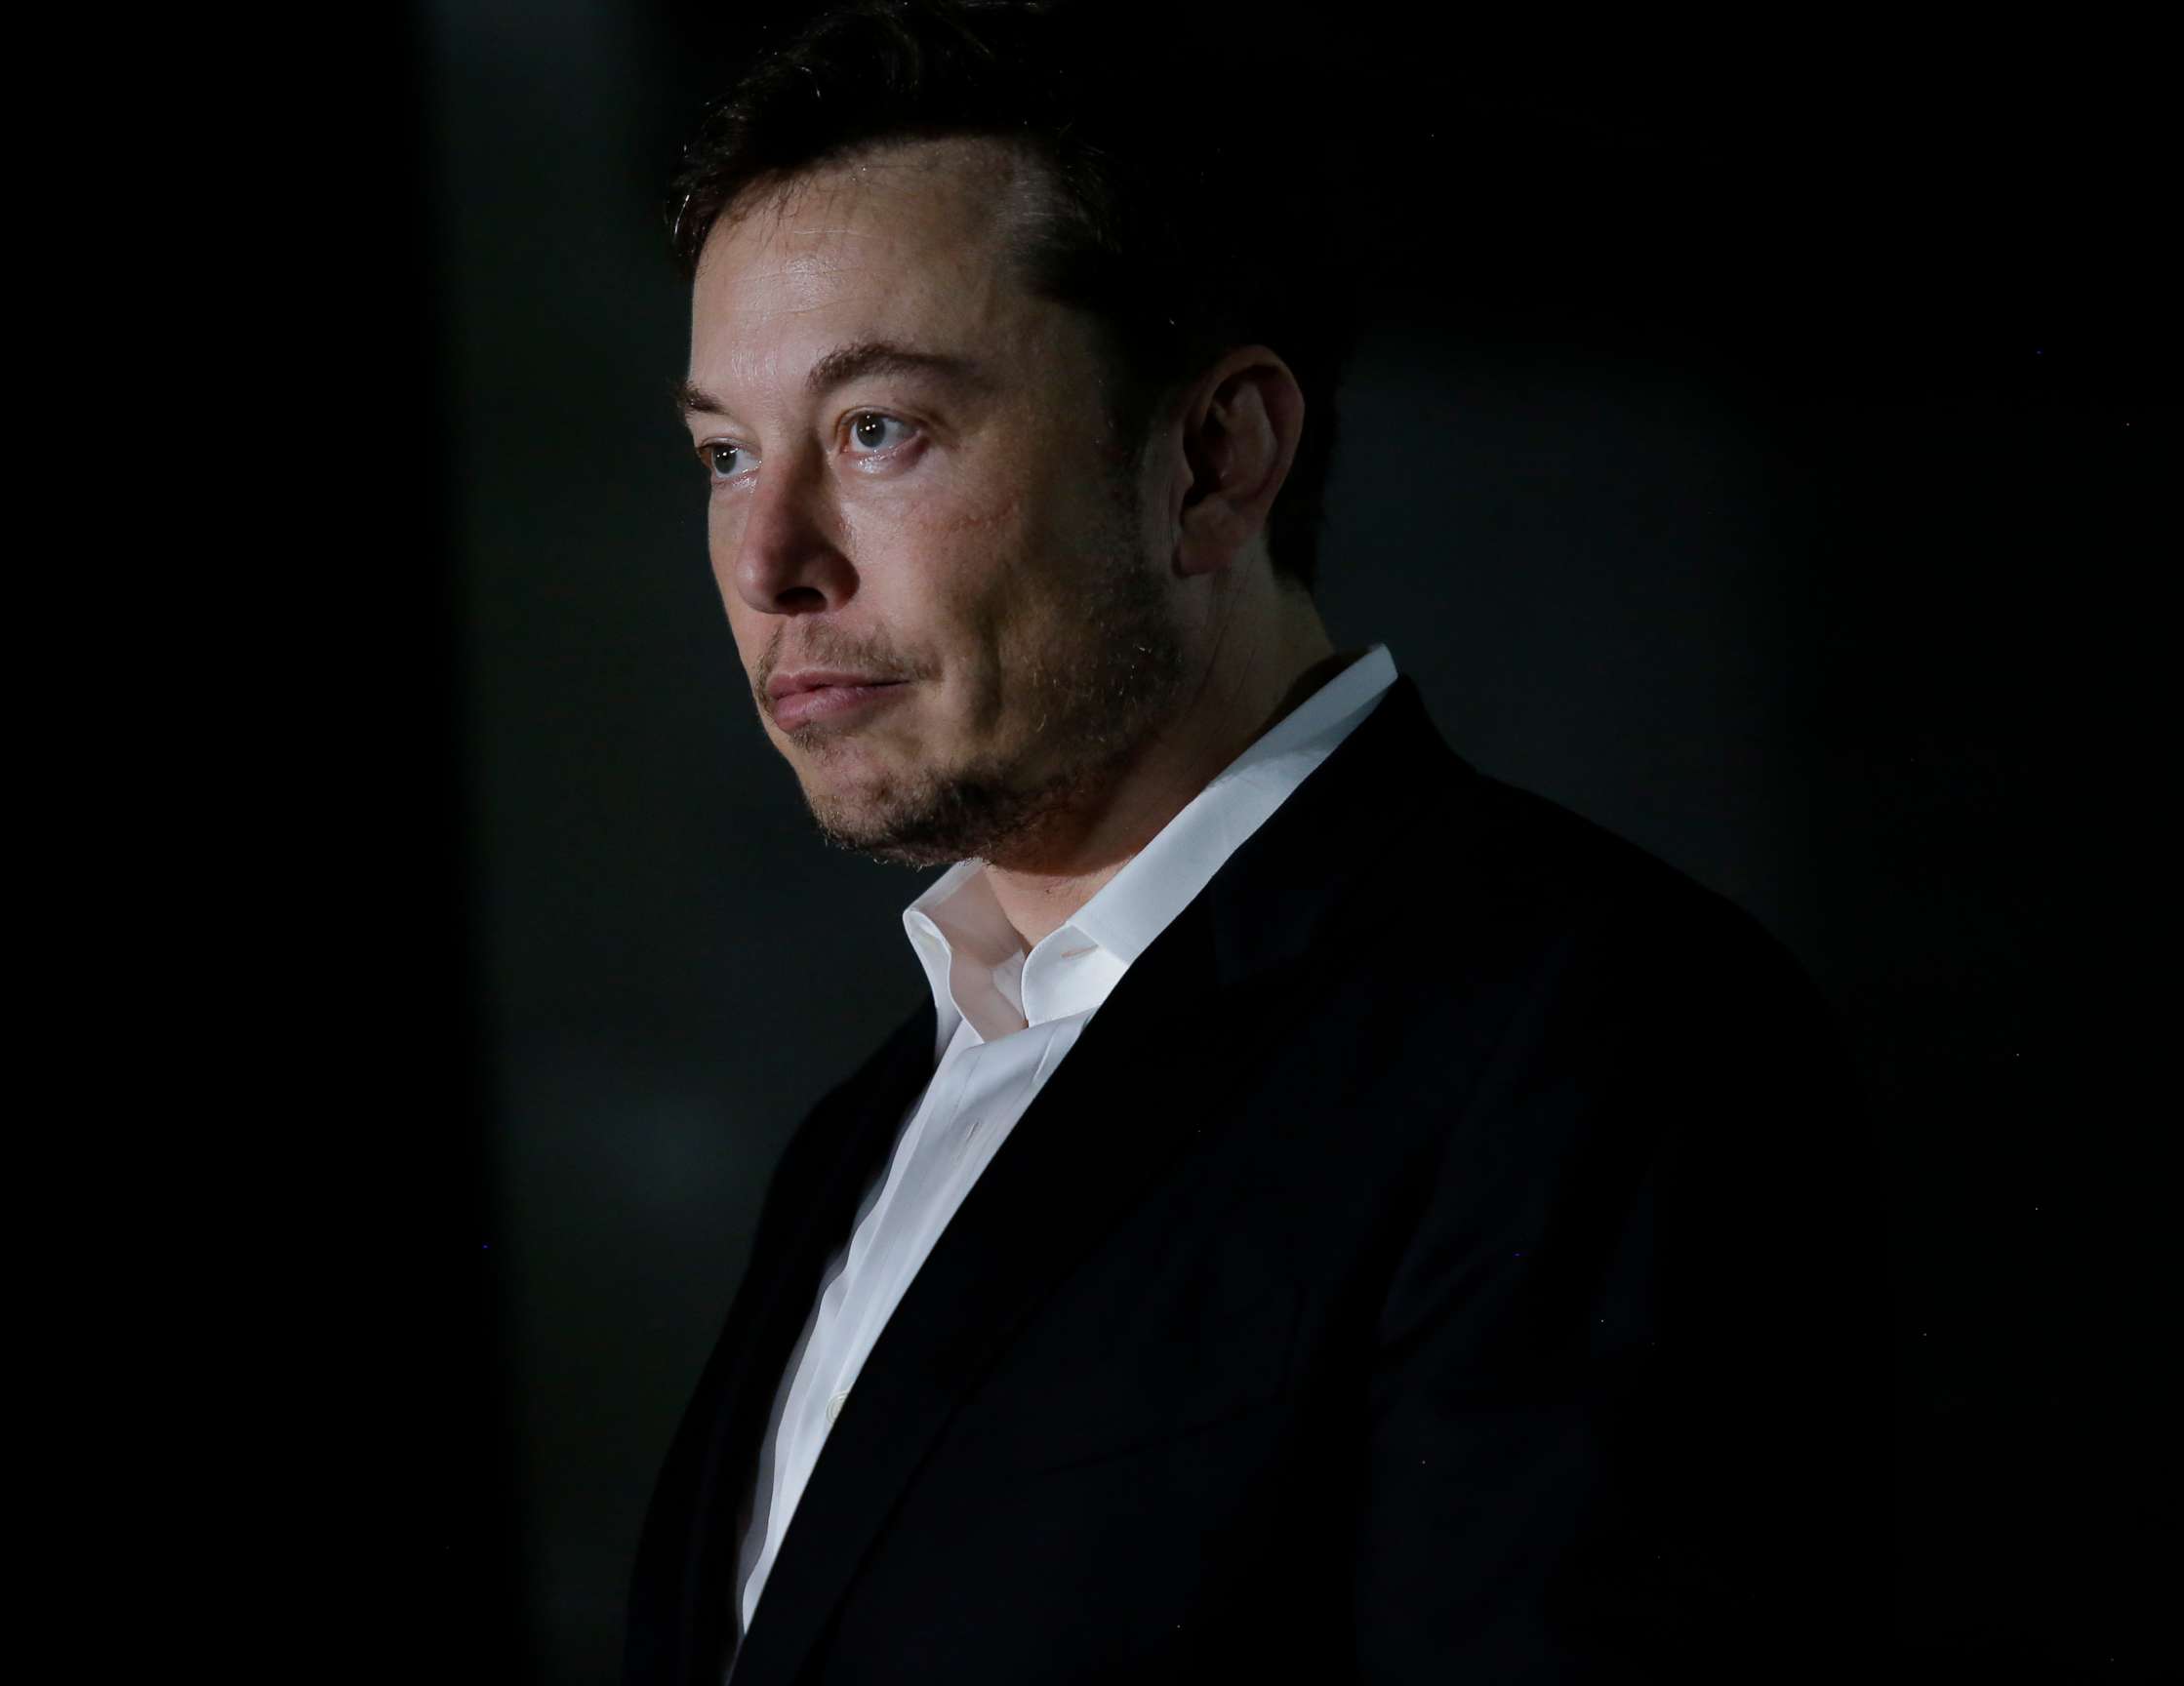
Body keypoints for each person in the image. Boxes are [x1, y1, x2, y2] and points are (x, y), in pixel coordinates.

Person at [626, 5, 1891, 1681]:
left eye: (881, 430)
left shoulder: (1594, 1037)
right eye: (725, 453)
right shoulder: (863, 1133)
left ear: (1216, 461)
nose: (769, 559)